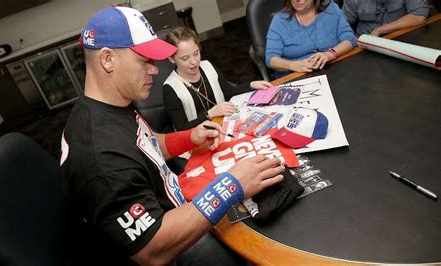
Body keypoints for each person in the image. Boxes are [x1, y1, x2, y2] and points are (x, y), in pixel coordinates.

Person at [60, 6, 285, 265]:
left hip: (175, 203)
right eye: (144, 60)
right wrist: (231, 186)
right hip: (169, 246)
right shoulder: (101, 156)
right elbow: (152, 249)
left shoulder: (113, 103)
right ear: (108, 59)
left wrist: (191, 136)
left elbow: (149, 145)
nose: (155, 70)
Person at [163, 26, 273, 131]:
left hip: (224, 124)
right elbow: (181, 129)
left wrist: (252, 85)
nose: (194, 61)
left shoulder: (207, 66)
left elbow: (228, 92)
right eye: (185, 58)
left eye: (196, 54)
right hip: (198, 138)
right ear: (172, 59)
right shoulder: (171, 88)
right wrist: (210, 114)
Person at [265, 0, 357, 78]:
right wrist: (294, 65)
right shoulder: (280, 20)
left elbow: (350, 39)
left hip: (333, 70)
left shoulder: (331, 8)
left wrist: (330, 54)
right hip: (295, 76)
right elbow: (271, 59)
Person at [343, 0, 430, 36]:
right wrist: (352, 40)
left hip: (399, 38)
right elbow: (341, 23)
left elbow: (419, 15)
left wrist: (380, 30)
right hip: (365, 45)